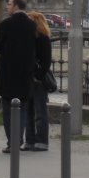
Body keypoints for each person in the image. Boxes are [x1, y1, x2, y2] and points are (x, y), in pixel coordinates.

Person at [0, 0, 37, 153]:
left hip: (8, 73)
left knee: (7, 109)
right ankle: (19, 139)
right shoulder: (32, 25)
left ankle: (12, 142)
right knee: (22, 108)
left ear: (16, 6)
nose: (7, 6)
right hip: (25, 73)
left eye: (9, 4)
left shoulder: (6, 24)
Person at [23, 11, 53, 151]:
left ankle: (41, 140)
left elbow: (46, 61)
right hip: (28, 78)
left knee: (40, 110)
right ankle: (29, 140)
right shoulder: (28, 38)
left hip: (38, 79)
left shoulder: (43, 38)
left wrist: (38, 76)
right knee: (28, 110)